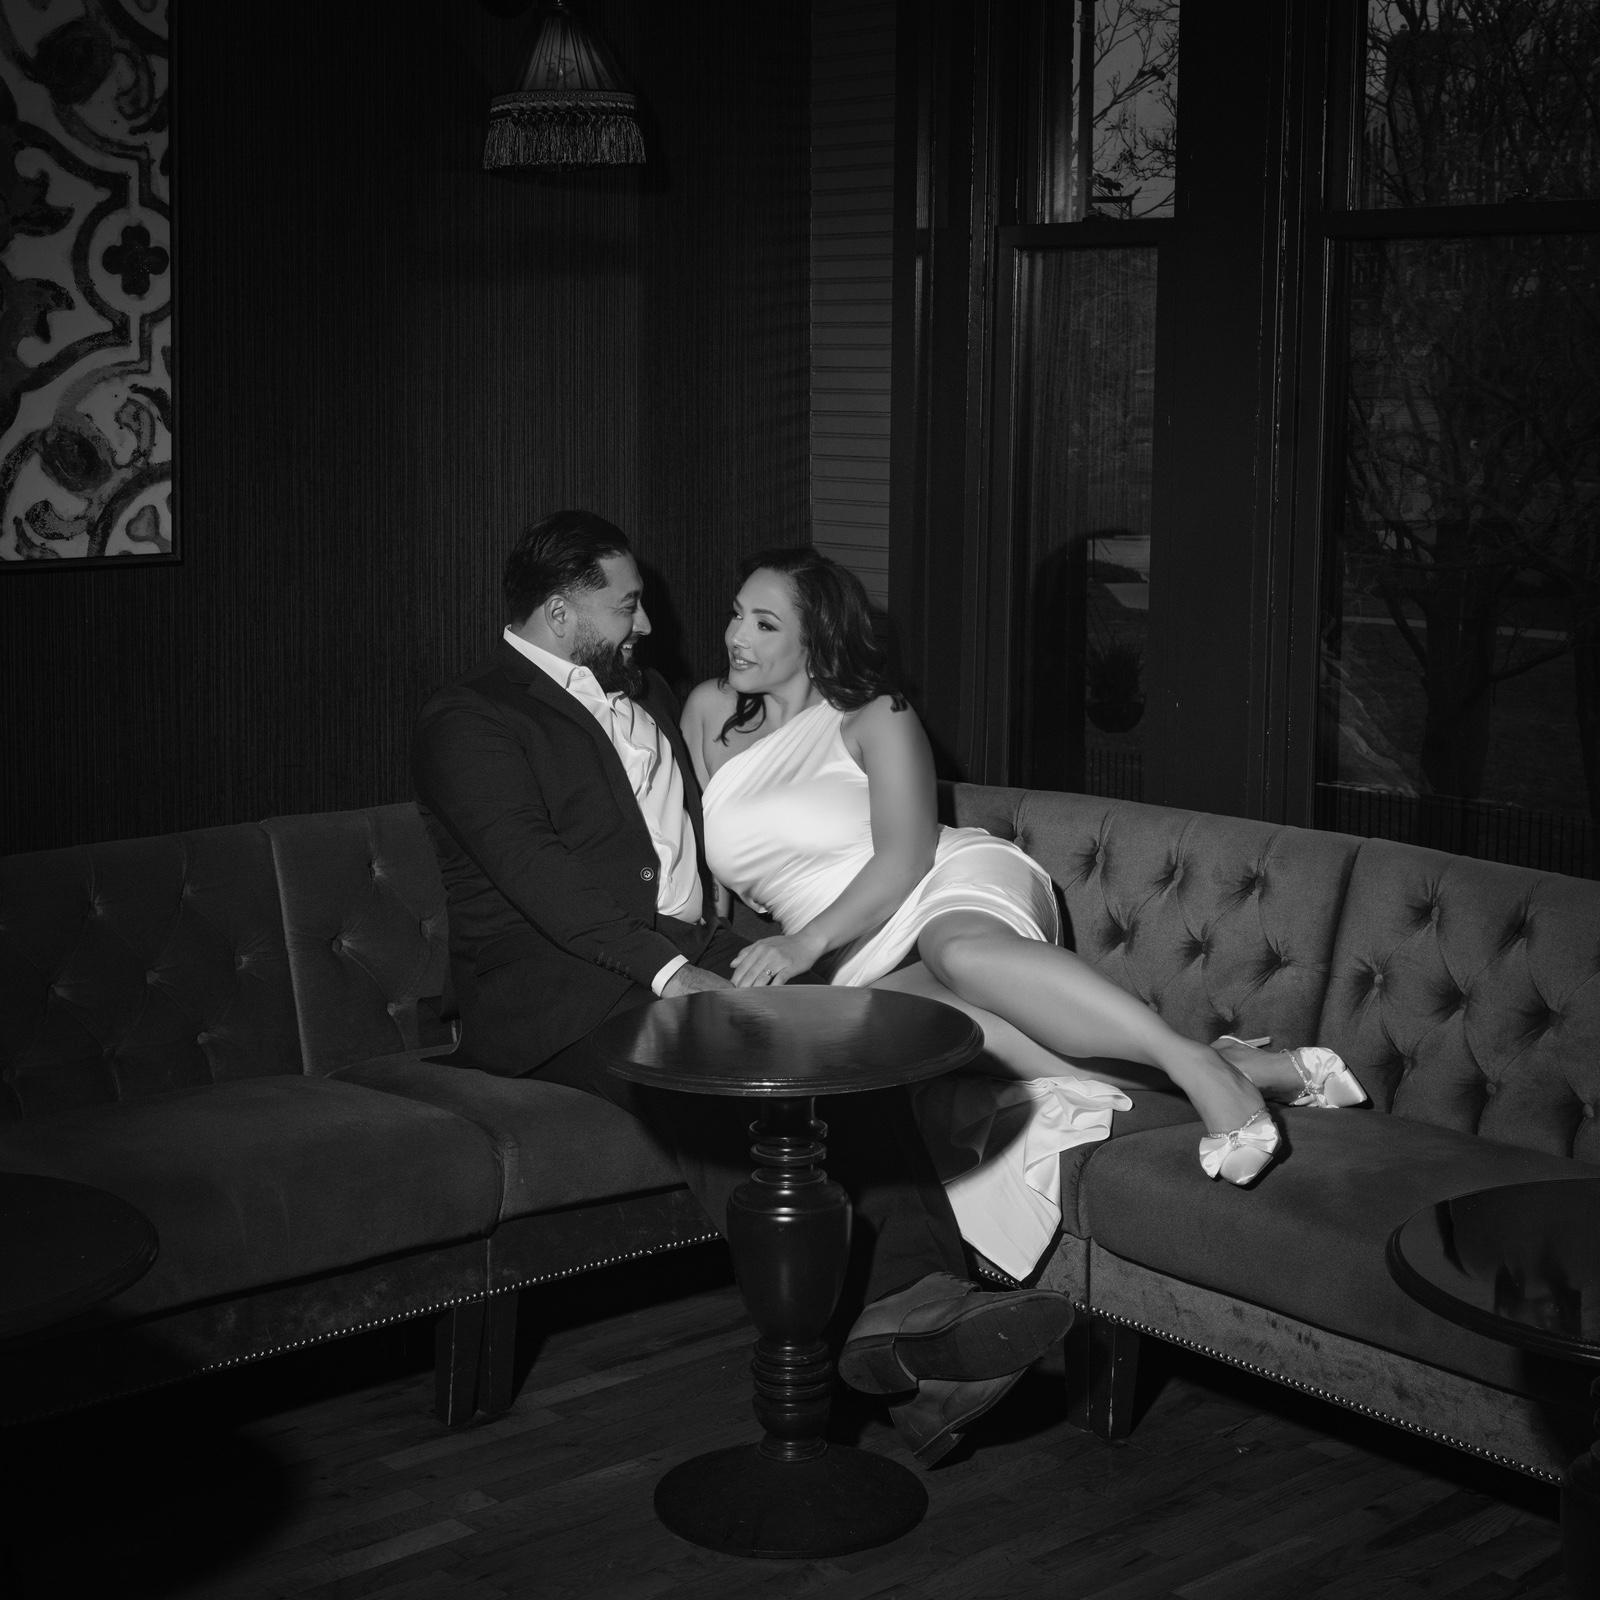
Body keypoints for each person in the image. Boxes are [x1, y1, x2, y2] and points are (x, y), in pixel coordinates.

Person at [412, 509, 1077, 1467]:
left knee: (843, 1048)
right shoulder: (471, 718)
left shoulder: (648, 694)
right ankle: (891, 1353)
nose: (648, 625)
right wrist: (672, 972)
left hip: (686, 951)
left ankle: (925, 1327)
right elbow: (541, 880)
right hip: (556, 987)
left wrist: (751, 949)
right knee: (739, 1082)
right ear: (561, 614)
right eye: (627, 606)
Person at [681, 547, 1366, 1208]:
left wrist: (803, 943)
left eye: (765, 624)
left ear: (817, 639)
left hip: (940, 885)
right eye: (737, 614)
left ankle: (1199, 1070)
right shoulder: (707, 712)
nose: (737, 637)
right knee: (982, 1041)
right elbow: (705, 869)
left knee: (961, 952)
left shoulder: (877, 715)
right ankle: (1246, 1068)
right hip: (851, 959)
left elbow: (905, 857)